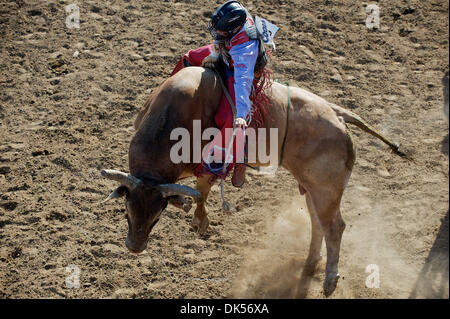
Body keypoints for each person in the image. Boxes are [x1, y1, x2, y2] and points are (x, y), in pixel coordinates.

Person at [171, 0, 268, 187]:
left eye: (221, 31)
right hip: (225, 54)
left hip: (238, 70)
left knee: (233, 121)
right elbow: (219, 40)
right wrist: (215, 53)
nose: (217, 33)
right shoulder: (231, 27)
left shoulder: (245, 49)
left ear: (234, 30)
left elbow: (243, 80)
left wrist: (241, 113)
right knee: (189, 59)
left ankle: (238, 159)